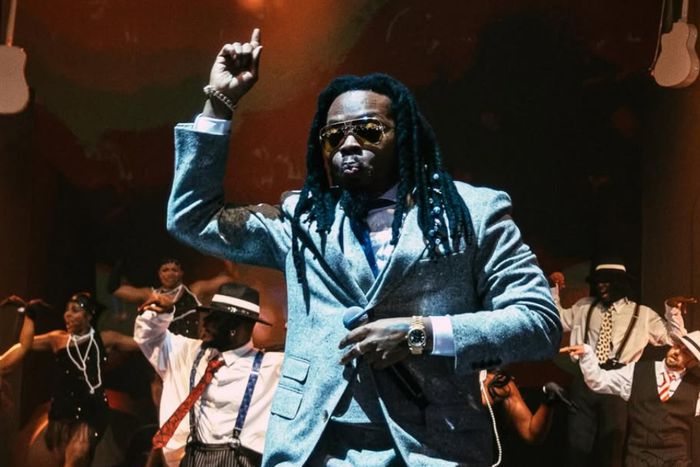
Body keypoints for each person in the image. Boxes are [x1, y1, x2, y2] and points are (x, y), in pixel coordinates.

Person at [166, 28, 561, 465]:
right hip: (314, 447)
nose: (349, 143)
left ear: (403, 136)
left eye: (369, 130)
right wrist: (219, 105)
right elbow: (193, 219)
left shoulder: (472, 213)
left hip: (432, 448)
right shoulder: (304, 220)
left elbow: (539, 323)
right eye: (334, 135)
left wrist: (421, 335)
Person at [549, 260, 690, 467]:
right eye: (598, 282)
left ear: (621, 284)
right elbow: (557, 320)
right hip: (585, 378)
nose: (601, 286)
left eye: (608, 282)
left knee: (612, 447)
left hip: (619, 381)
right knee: (577, 445)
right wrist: (554, 291)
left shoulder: (642, 314)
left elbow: (674, 338)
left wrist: (672, 310)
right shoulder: (584, 306)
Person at [134, 282, 283, 467]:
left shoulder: (271, 368)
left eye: (216, 318)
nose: (205, 322)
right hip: (191, 459)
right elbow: (148, 338)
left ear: (235, 327)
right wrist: (160, 314)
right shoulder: (188, 353)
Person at [15, 292, 139, 467]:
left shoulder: (105, 338)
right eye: (67, 310)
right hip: (63, 407)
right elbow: (25, 344)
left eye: (75, 310)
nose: (68, 314)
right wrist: (30, 316)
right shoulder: (57, 338)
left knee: (77, 454)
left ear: (88, 316)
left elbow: (140, 344)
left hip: (91, 410)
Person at [561, 330, 700, 467]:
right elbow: (598, 380)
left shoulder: (696, 388)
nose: (677, 352)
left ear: (693, 361)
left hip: (676, 461)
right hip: (639, 459)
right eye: (677, 346)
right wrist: (587, 353)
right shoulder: (637, 371)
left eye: (686, 352)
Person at [110, 258, 202, 338]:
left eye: (174, 270)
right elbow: (114, 289)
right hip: (158, 347)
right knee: (110, 337)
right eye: (165, 270)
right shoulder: (149, 294)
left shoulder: (195, 291)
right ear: (159, 274)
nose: (170, 274)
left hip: (190, 347)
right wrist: (120, 263)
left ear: (181, 273)